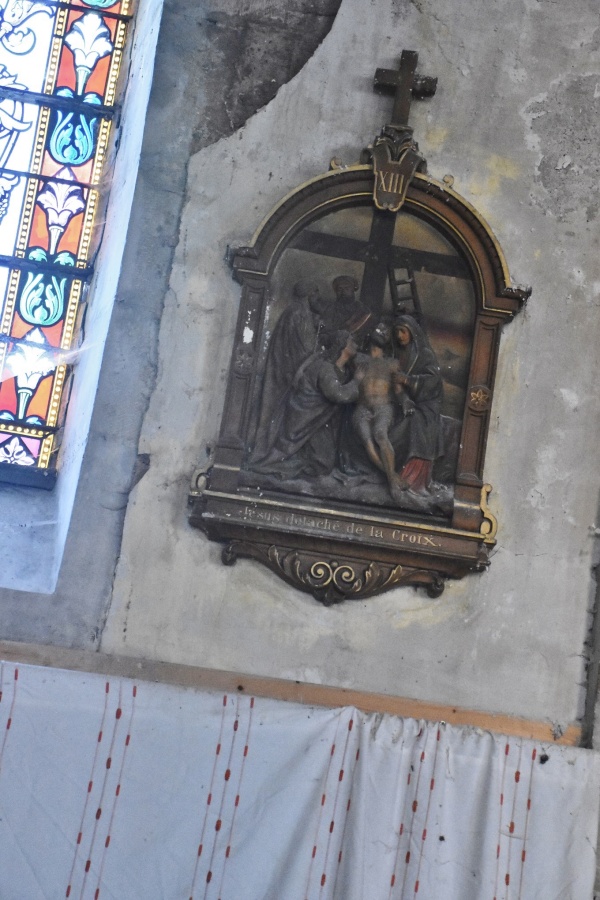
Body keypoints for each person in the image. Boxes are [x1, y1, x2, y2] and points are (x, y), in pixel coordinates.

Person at [251, 330, 358, 478]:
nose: (356, 345)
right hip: (305, 420)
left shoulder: (338, 368)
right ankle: (294, 460)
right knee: (323, 463)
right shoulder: (324, 368)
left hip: (317, 421)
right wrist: (357, 381)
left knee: (326, 462)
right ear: (342, 345)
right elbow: (338, 394)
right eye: (352, 341)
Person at [252, 278, 330, 460]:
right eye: (316, 293)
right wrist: (323, 350)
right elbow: (308, 349)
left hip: (284, 369)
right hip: (293, 374)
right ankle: (284, 453)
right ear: (310, 294)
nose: (318, 298)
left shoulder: (293, 312)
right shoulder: (301, 314)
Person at [351, 323, 414, 499]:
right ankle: (393, 478)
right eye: (379, 332)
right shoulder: (359, 361)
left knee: (380, 435)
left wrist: (406, 401)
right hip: (362, 408)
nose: (382, 335)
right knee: (367, 440)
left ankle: (392, 482)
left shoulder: (391, 364)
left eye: (385, 333)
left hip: (383, 407)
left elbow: (398, 390)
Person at [389, 315, 444, 492]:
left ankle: (414, 479)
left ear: (412, 333)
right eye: (397, 331)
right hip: (404, 401)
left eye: (403, 331)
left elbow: (434, 381)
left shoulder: (424, 354)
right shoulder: (395, 353)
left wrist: (409, 380)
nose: (400, 335)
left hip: (427, 403)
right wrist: (404, 400)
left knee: (418, 423)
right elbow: (394, 383)